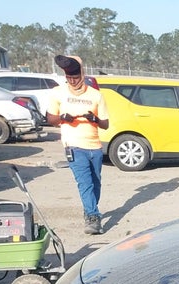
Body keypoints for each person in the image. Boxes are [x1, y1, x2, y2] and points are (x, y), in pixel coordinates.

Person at [46, 55, 110, 235]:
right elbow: (50, 118)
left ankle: (89, 208)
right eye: (69, 78)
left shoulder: (96, 95)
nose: (73, 82)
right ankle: (92, 217)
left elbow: (106, 124)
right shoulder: (58, 93)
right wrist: (62, 118)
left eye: (76, 78)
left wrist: (95, 119)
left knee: (96, 183)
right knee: (85, 183)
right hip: (73, 145)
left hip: (95, 146)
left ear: (82, 75)